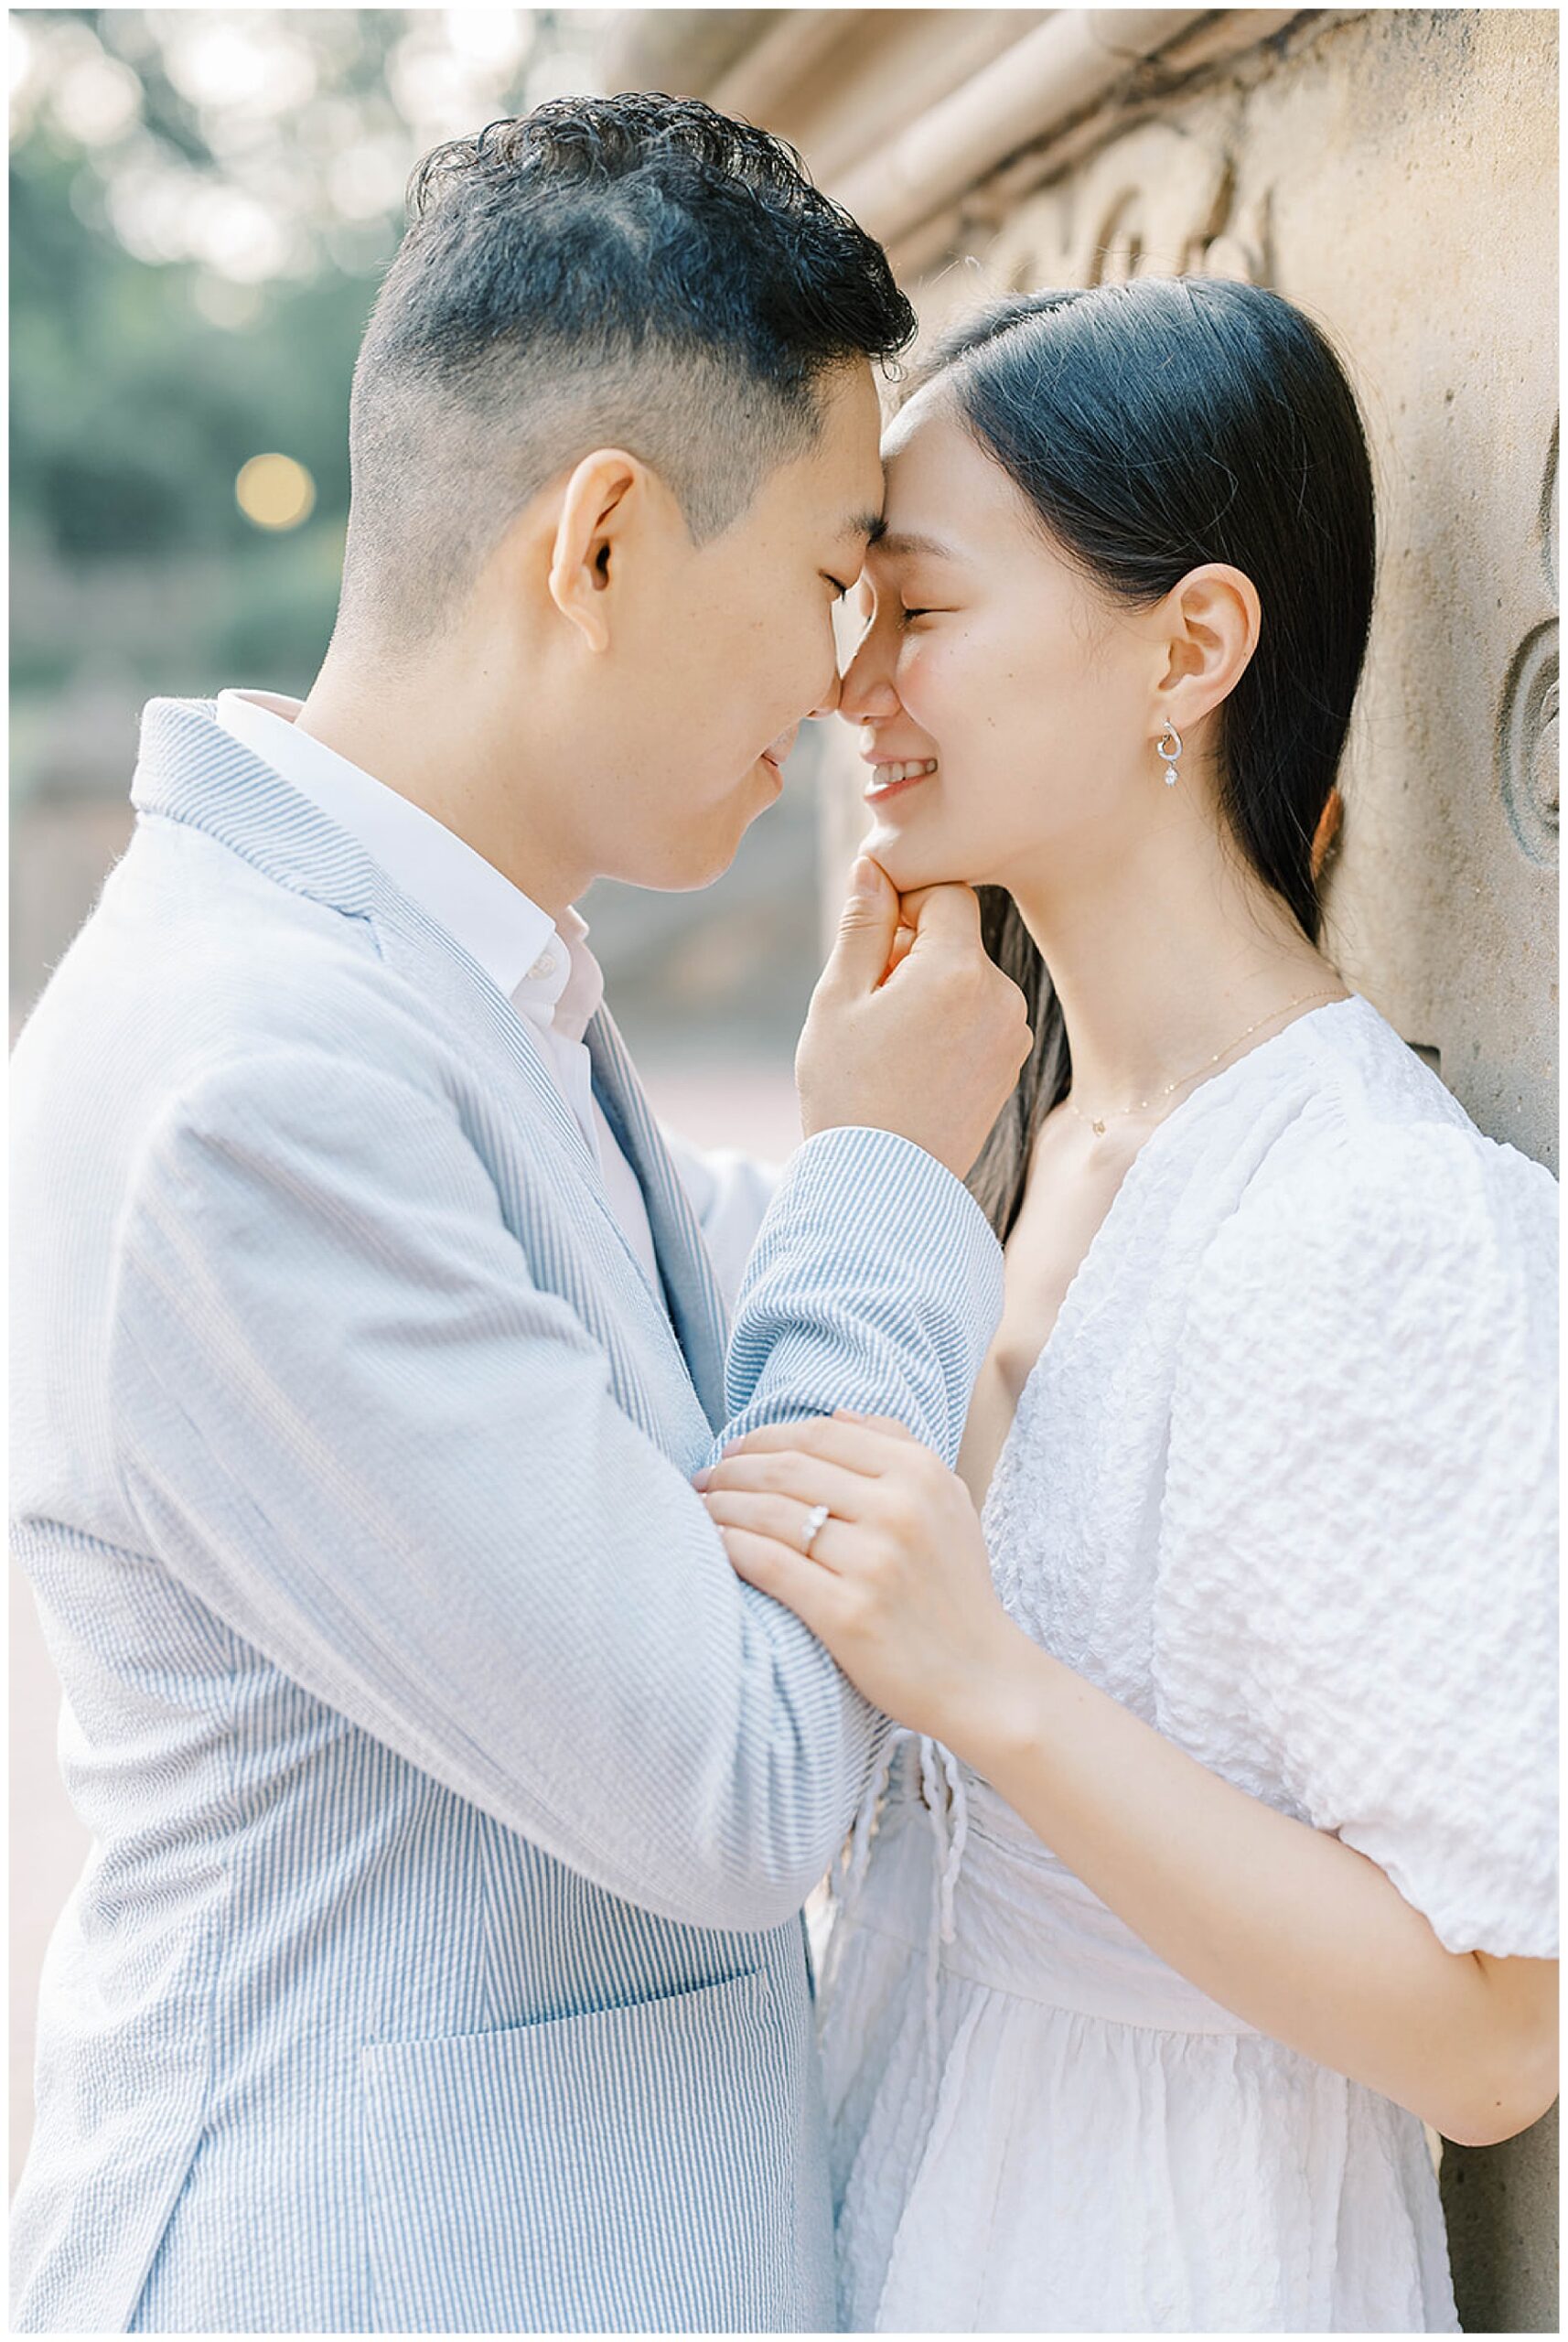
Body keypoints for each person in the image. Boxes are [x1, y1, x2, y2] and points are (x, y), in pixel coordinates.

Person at [8, 98, 1033, 2335]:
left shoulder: (429, 970)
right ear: (596, 542)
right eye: (830, 572)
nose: (854, 676)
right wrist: (883, 1175)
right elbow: (744, 1776)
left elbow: (669, 1344)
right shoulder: (255, 1081)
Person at [696, 276, 1559, 2333]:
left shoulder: (1374, 1213)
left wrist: (991, 1684)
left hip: (1164, 2256)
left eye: (920, 611)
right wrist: (866, 1162)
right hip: (892, 2188)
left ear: (1189, 644)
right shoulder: (1025, 1129)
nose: (854, 687)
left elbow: (1492, 2027)